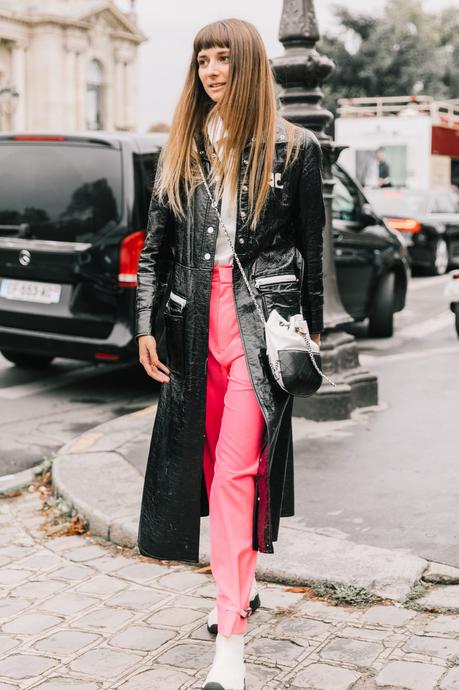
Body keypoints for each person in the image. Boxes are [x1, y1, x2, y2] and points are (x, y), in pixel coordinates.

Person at [135, 17, 325, 690]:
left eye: (224, 59)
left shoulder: (295, 148)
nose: (212, 71)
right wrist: (144, 322)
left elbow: (311, 245)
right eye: (202, 60)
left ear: (249, 65)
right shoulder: (184, 143)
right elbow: (155, 244)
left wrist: (311, 330)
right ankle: (238, 580)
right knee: (213, 471)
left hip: (256, 324)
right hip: (191, 328)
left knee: (234, 476)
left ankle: (231, 648)